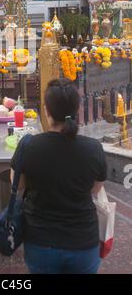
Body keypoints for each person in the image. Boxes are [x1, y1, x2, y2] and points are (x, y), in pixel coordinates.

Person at [11, 78, 107, 274]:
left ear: (46, 110)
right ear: (78, 109)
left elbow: (18, 184)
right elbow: (95, 189)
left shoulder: (29, 145)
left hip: (41, 242)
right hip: (84, 242)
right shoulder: (93, 148)